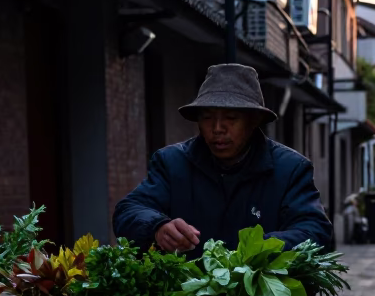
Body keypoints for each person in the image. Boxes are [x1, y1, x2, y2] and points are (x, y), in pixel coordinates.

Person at [113, 63, 334, 256]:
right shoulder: (171, 163)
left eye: (231, 118)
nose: (217, 129)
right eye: (207, 117)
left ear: (254, 120)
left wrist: (261, 248)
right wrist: (157, 227)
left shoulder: (290, 169)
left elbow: (315, 231)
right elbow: (129, 210)